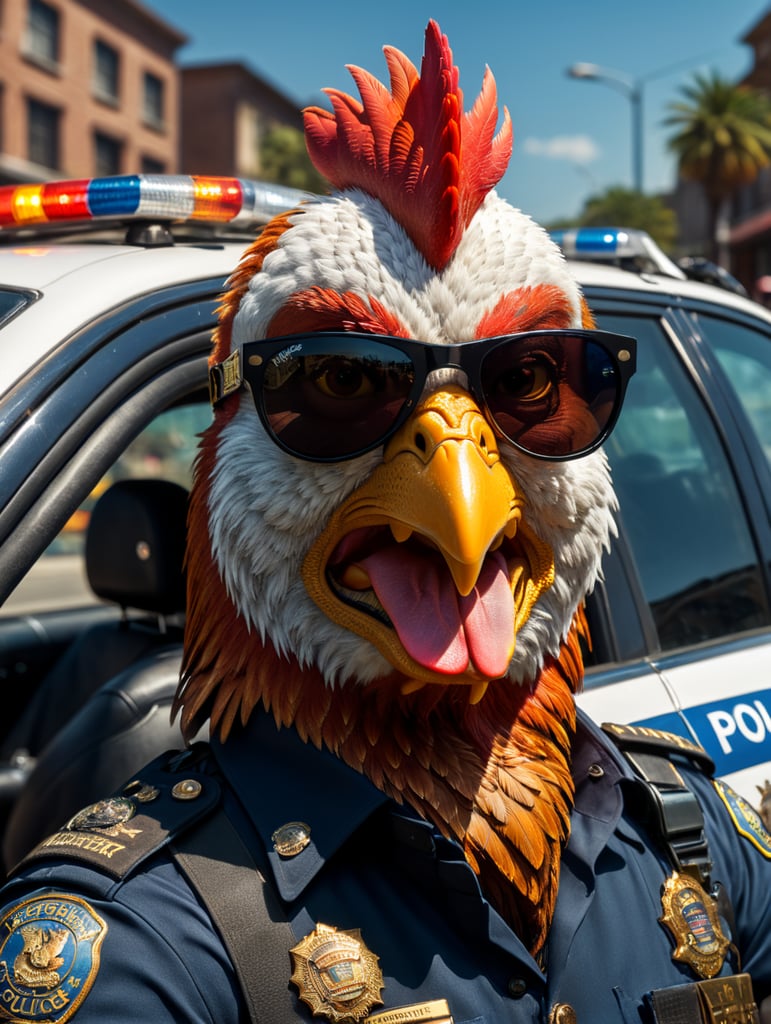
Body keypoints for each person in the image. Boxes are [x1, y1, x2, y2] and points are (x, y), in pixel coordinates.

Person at [0, 21, 769, 1024]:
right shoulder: (145, 948)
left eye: (530, 380)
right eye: (342, 381)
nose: (456, 471)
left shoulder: (685, 829)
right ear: (221, 440)